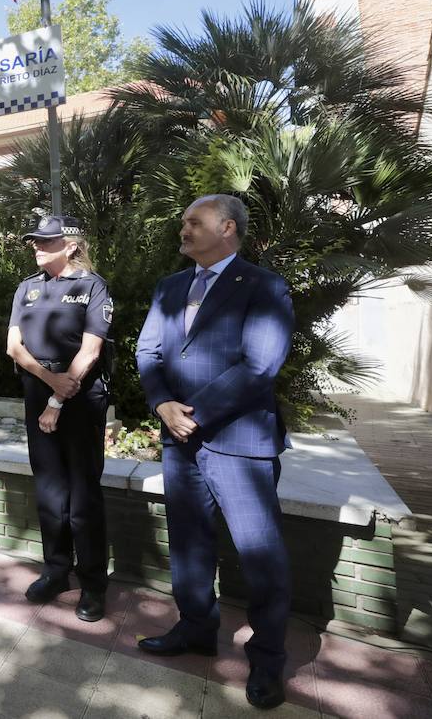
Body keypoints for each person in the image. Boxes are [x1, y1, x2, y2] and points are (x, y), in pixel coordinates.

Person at [135, 194, 295, 711]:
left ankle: (268, 658)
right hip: (180, 443)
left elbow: (260, 365)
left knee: (260, 555)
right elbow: (148, 351)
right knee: (188, 544)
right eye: (183, 221)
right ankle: (196, 628)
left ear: (227, 227)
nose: (183, 229)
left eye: (192, 222)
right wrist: (162, 404)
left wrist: (194, 413)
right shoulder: (170, 286)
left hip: (239, 444)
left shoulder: (264, 286)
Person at [5, 215, 114, 622]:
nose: (36, 246)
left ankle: (92, 584)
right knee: (49, 489)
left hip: (81, 395)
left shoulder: (91, 286)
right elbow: (14, 347)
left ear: (69, 245)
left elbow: (90, 350)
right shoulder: (27, 288)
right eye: (35, 240)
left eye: (46, 241)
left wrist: (60, 396)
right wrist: (49, 384)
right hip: (42, 388)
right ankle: (55, 571)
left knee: (83, 493)